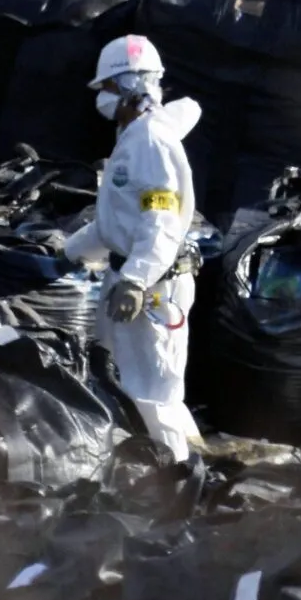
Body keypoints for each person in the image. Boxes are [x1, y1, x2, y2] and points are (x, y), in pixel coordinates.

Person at [63, 33, 203, 462]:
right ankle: (163, 463)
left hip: (154, 289)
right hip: (129, 277)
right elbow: (116, 223)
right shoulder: (134, 137)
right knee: (117, 374)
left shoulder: (151, 143)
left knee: (153, 391)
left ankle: (177, 481)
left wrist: (136, 281)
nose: (101, 99)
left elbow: (159, 222)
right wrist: (69, 253)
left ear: (128, 85)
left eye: (105, 88)